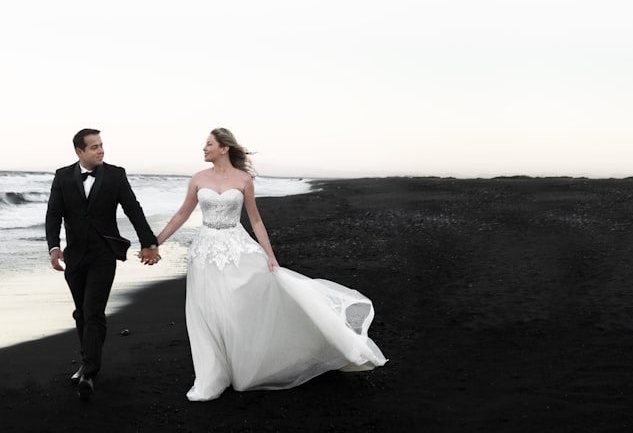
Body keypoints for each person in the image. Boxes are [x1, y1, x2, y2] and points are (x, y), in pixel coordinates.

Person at [155, 127, 387, 401]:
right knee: (206, 311)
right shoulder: (197, 179)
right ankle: (212, 375)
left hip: (236, 248)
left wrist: (270, 254)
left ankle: (243, 365)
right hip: (204, 252)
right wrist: (155, 241)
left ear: (224, 148)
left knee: (235, 308)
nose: (203, 149)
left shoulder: (243, 180)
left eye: (208, 144)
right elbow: (182, 214)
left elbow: (255, 220)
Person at [45, 128, 162, 400]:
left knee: (93, 310)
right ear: (79, 151)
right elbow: (53, 214)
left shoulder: (115, 174)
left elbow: (133, 208)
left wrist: (149, 242)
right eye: (94, 147)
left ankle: (89, 372)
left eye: (101, 145)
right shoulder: (62, 176)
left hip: (103, 255)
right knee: (81, 313)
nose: (101, 151)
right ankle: (87, 361)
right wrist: (53, 247)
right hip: (75, 256)